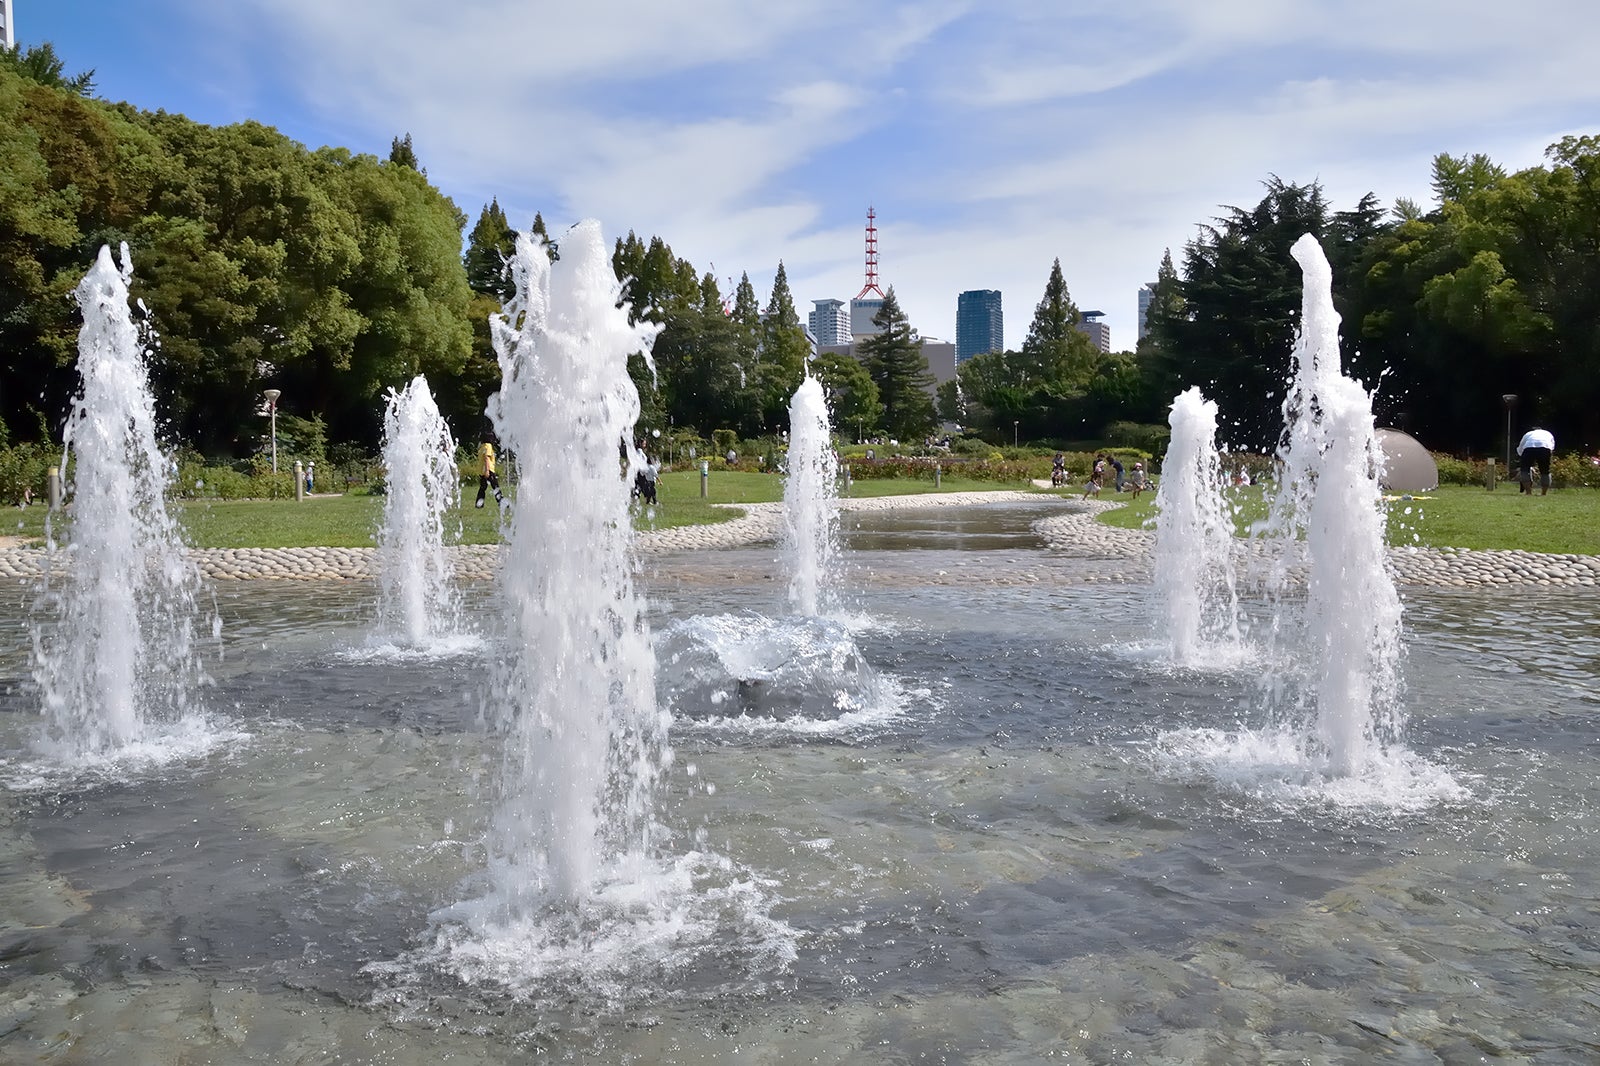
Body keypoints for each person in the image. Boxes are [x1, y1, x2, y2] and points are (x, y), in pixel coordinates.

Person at [1516, 427, 1555, 495]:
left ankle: (1528, 492)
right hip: (1545, 447)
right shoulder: (1548, 433)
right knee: (1545, 470)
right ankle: (1543, 493)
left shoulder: (1528, 434)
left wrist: (1522, 456)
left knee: (1525, 470)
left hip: (1529, 447)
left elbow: (1521, 446)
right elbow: (1552, 446)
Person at [476, 434, 504, 508]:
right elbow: (486, 458)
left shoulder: (482, 447)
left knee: (482, 488)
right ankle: (501, 502)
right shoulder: (488, 446)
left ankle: (479, 503)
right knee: (495, 486)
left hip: (482, 470)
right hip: (489, 470)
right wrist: (487, 470)